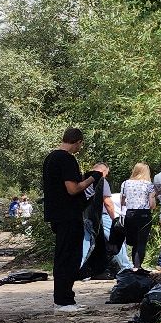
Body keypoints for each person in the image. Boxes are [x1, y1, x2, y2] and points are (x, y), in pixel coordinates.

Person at [40, 129, 108, 312]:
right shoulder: (66, 159)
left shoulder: (50, 158)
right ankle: (63, 301)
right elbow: (72, 189)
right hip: (68, 215)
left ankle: (65, 299)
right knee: (68, 258)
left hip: (58, 214)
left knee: (65, 256)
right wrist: (94, 177)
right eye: (80, 144)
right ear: (77, 142)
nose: (80, 147)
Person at [117, 163, 157, 270]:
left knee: (133, 241)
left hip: (130, 214)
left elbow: (122, 201)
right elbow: (152, 203)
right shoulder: (149, 185)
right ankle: (137, 266)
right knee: (141, 241)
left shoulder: (126, 183)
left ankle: (134, 264)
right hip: (144, 214)